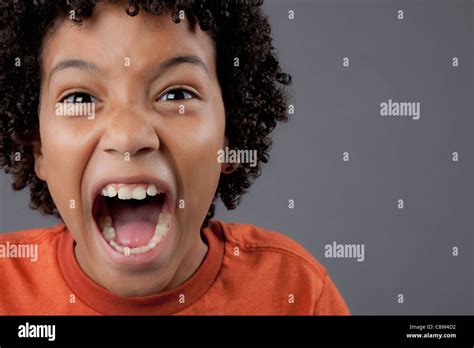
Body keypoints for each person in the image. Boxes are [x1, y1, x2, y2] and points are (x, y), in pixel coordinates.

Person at [0, 0, 350, 315]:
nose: (128, 136)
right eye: (79, 99)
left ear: (230, 137)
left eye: (176, 94)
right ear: (38, 147)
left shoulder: (295, 292)